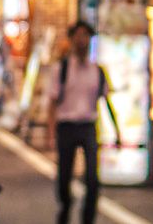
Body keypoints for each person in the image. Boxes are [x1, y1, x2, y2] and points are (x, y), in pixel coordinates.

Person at [49, 21, 120, 224]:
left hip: (88, 126)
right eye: (78, 36)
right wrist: (50, 132)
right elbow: (52, 103)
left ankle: (87, 219)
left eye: (86, 36)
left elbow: (107, 102)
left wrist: (117, 131)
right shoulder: (61, 69)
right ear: (71, 40)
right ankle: (65, 207)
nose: (82, 41)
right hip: (66, 126)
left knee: (92, 178)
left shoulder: (98, 71)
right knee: (64, 177)